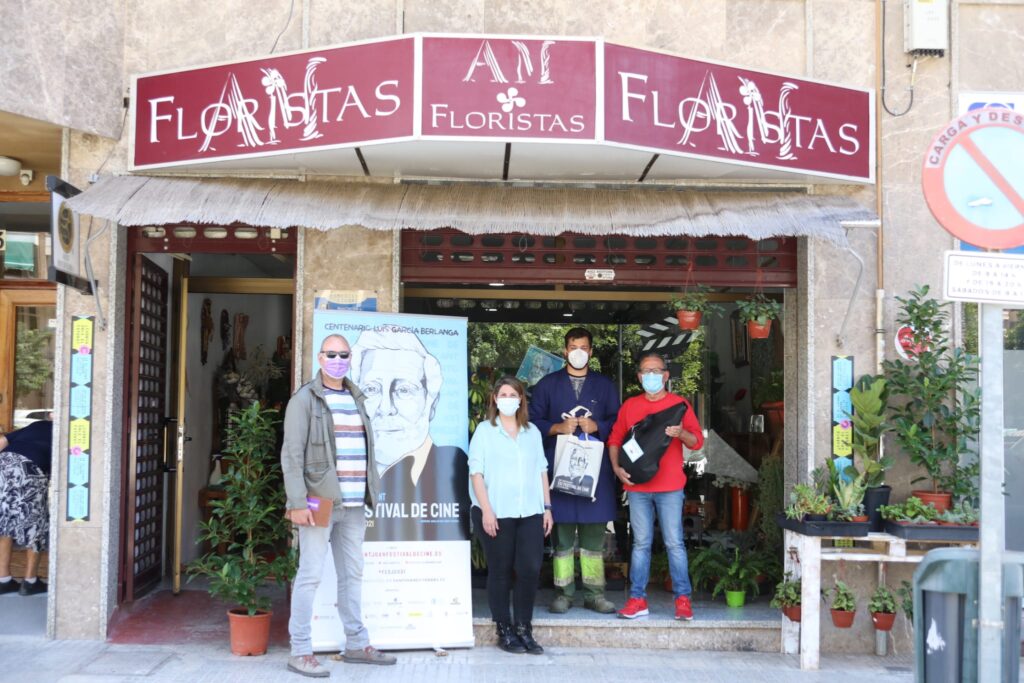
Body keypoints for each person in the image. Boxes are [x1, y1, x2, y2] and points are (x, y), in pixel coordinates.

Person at [281, 334, 396, 678]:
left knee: (352, 575)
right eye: (331, 354)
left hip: (355, 503)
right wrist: (297, 501)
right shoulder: (304, 399)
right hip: (319, 500)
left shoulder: (355, 397)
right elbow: (291, 454)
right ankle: (300, 650)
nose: (337, 359)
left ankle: (356, 644)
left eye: (343, 354)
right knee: (310, 575)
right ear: (320, 358)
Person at [607, 351, 704, 621]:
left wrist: (681, 433)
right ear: (639, 376)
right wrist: (616, 468)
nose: (651, 376)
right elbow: (614, 439)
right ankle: (637, 599)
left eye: (656, 371)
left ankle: (683, 600)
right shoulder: (630, 406)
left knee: (674, 543)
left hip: (671, 487)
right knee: (641, 544)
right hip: (638, 488)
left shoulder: (679, 404)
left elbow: (697, 441)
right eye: (645, 372)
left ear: (665, 375)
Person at [530, 327, 620, 614]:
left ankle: (595, 593)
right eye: (572, 346)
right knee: (563, 539)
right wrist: (557, 427)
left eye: (583, 347)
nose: (578, 351)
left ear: (591, 352)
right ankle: (563, 592)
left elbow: (618, 423)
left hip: (595, 472)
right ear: (565, 351)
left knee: (594, 539)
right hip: (560, 469)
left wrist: (599, 427)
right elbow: (531, 423)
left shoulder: (605, 386)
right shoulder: (547, 385)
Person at [349, 326, 468, 542]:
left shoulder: (454, 465)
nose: (386, 407)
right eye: (371, 390)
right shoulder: (346, 470)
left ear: (431, 403)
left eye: (404, 390)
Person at [468, 376, 553, 655]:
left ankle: (524, 628)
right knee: (501, 571)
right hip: (496, 512)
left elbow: (542, 470)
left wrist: (547, 508)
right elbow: (476, 473)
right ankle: (504, 629)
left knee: (529, 570)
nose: (507, 398)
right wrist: (487, 511)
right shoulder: (484, 431)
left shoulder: (532, 432)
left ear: (520, 399)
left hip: (530, 511)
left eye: (512, 394)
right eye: (502, 394)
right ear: (495, 398)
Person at [0, 419, 53, 596]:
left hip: (3, 464)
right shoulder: (69, 432)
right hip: (30, 468)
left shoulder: (37, 425)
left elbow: (1, 442)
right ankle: (30, 582)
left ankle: (4, 580)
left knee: (5, 520)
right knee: (35, 521)